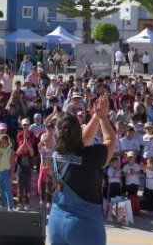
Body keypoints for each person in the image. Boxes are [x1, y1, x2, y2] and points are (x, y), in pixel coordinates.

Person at [47, 96, 117, 245]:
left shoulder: (56, 155)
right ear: (79, 130)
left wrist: (96, 118)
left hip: (56, 221)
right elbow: (110, 140)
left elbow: (81, 143)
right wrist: (103, 118)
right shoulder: (91, 156)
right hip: (84, 225)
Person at [0, 134, 15, 211]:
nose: (2, 144)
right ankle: (3, 206)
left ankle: (10, 207)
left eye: (4, 142)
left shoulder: (10, 151)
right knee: (1, 190)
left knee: (8, 190)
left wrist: (11, 175)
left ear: (8, 142)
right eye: (1, 142)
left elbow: (12, 165)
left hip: (6, 172)